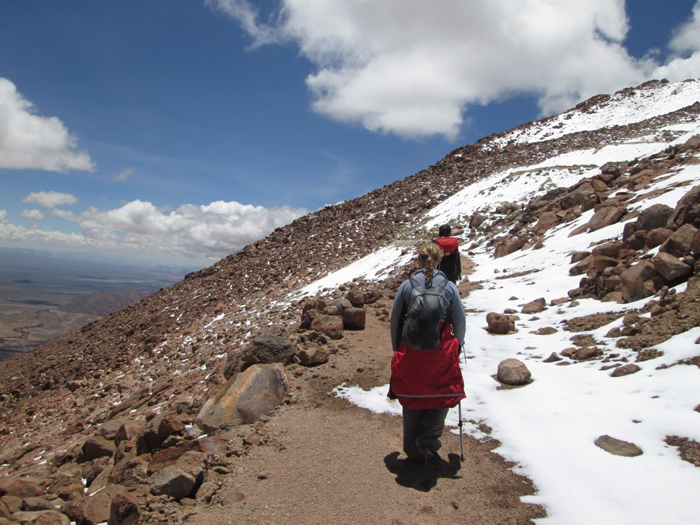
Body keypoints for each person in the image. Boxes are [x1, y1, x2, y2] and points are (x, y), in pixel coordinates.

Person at [388, 243, 466, 464]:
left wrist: (398, 348)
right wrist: (457, 348)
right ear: (439, 260)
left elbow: (395, 320)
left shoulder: (406, 286)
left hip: (411, 349)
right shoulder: (449, 287)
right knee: (440, 395)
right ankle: (428, 443)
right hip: (440, 350)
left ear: (418, 260)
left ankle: (411, 449)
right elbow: (459, 321)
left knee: (412, 395)